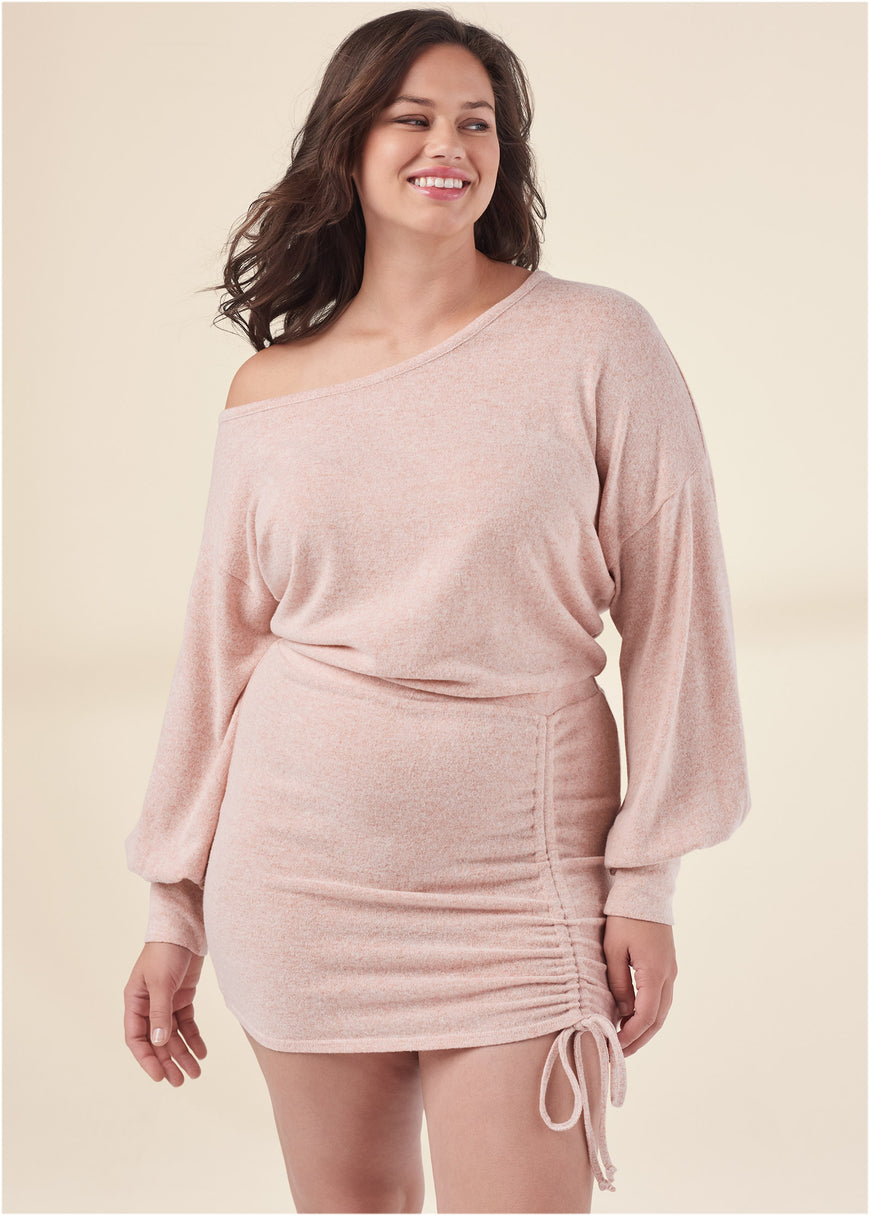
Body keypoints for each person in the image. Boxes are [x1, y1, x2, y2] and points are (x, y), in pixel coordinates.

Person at [122, 8, 751, 1212]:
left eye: (478, 123)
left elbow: (679, 614)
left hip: (521, 890)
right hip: (296, 885)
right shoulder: (270, 389)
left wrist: (646, 881)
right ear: (349, 146)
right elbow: (219, 652)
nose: (448, 146)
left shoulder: (598, 341)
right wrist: (173, 906)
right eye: (411, 119)